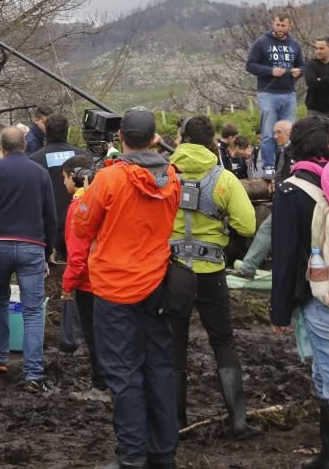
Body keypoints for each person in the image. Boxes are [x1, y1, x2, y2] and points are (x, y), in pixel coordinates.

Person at [73, 108, 182, 469]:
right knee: (158, 369)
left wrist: (86, 192)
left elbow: (84, 226)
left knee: (123, 374)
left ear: (121, 139)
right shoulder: (173, 178)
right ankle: (163, 454)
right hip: (156, 285)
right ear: (154, 139)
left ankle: (132, 457)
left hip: (113, 289)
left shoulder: (109, 180)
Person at [271, 116, 329, 467]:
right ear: (328, 145)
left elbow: (284, 256)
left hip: (323, 299)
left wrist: (280, 311)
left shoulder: (291, 190)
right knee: (327, 373)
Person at [168, 116, 258, 437]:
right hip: (212, 273)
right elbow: (247, 226)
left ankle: (176, 423)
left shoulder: (165, 176)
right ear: (212, 143)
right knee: (222, 340)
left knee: (174, 344)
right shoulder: (224, 179)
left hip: (174, 271)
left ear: (182, 140)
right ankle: (238, 421)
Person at [0, 127, 56, 392]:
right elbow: (50, 217)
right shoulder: (40, 173)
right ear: (24, 144)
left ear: (2, 147)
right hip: (32, 246)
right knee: (33, 311)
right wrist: (48, 250)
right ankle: (33, 374)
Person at [60, 154, 109, 403]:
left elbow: (77, 252)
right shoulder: (105, 200)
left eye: (65, 178)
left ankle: (101, 385)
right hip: (109, 278)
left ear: (75, 177)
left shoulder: (78, 207)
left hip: (89, 282)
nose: (64, 184)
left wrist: (68, 284)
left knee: (94, 334)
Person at [229, 120, 293, 279]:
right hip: (283, 199)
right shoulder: (284, 150)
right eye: (274, 132)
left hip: (291, 200)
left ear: (290, 133)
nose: (275, 136)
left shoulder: (294, 151)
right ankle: (248, 267)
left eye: (279, 132)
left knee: (271, 230)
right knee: (266, 229)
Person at [245, 13, 304, 178]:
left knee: (290, 132)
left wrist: (299, 72)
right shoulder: (261, 42)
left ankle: (288, 163)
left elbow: (303, 65)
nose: (280, 28)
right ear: (273, 24)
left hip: (289, 93)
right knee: (269, 132)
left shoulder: (295, 45)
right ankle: (269, 166)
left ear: (289, 26)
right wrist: (270, 71)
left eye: (283, 25)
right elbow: (250, 65)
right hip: (268, 93)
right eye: (278, 25)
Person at [29, 114, 92, 263]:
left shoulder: (34, 160)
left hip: (47, 229)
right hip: (79, 225)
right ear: (67, 131)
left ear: (46, 131)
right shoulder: (84, 156)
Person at [305, 37, 329, 150]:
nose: (318, 51)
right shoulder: (311, 64)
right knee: (315, 142)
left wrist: (322, 79)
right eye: (316, 48)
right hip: (315, 110)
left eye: (321, 48)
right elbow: (311, 83)